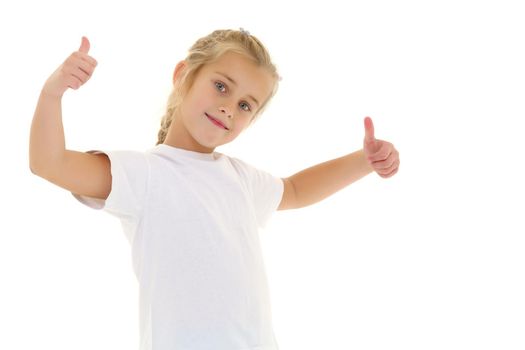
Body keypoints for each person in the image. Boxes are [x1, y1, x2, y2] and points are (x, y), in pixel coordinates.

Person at [29, 28, 400, 350]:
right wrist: (52, 93)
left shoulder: (239, 178)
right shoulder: (143, 174)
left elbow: (297, 190)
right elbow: (50, 163)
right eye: (221, 86)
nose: (228, 109)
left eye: (244, 105)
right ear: (183, 75)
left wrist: (363, 161)